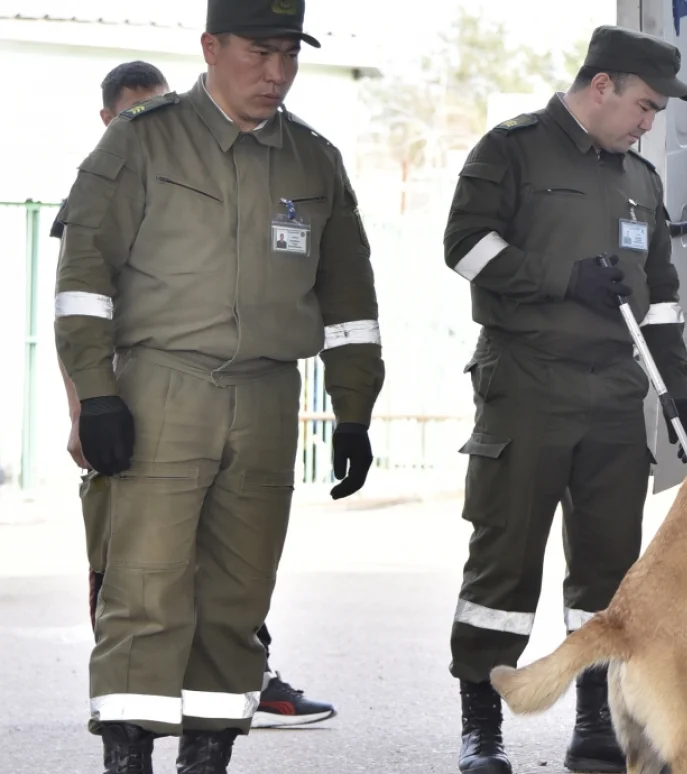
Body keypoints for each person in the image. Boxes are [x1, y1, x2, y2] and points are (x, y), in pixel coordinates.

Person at [52, 0, 384, 770]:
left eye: (289, 57)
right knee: (145, 592)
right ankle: (127, 759)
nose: (277, 74)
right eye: (259, 54)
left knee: (238, 601)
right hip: (161, 390)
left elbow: (350, 303)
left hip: (269, 399)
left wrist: (354, 411)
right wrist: (96, 394)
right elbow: (82, 280)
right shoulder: (142, 142)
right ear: (210, 46)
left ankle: (208, 759)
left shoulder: (313, 160)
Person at [442, 24, 687, 774]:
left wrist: (677, 387)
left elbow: (661, 298)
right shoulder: (512, 150)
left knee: (610, 569)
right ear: (601, 87)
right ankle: (482, 727)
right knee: (503, 563)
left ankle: (594, 720)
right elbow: (465, 246)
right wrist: (564, 276)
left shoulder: (641, 181)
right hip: (526, 382)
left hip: (616, 393)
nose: (649, 123)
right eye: (645, 106)